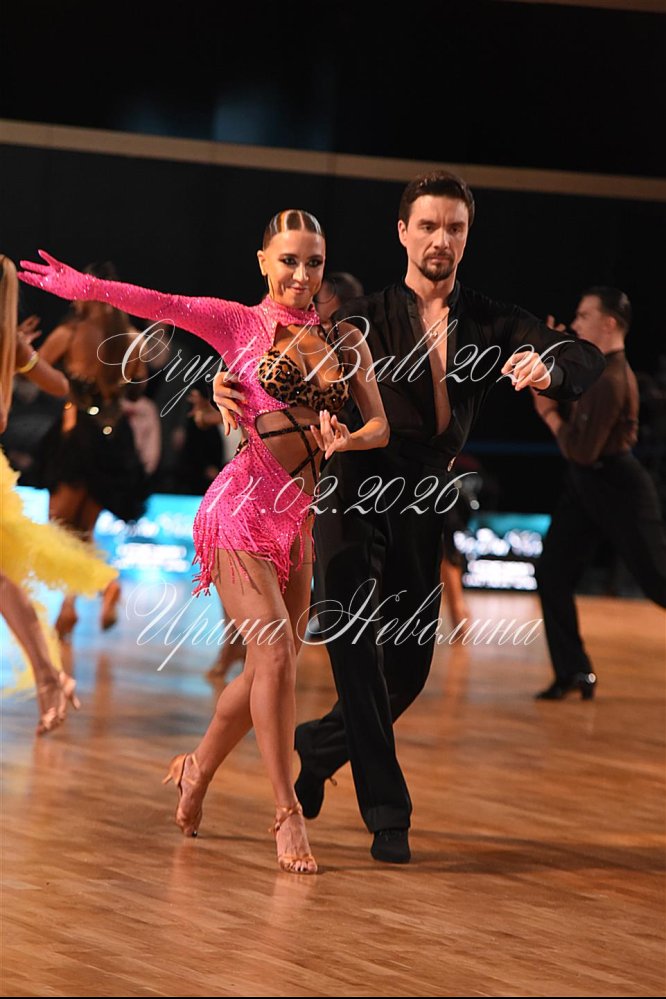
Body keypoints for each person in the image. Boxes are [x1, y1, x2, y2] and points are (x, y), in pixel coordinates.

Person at [214, 171, 606, 864]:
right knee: (355, 649)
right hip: (352, 488)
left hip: (426, 494)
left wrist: (549, 370)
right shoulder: (358, 318)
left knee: (411, 667)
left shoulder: (489, 319)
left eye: (454, 227)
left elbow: (584, 357)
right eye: (427, 225)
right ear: (403, 232)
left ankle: (317, 747)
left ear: (467, 236)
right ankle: (388, 815)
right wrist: (227, 384)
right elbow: (272, 351)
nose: (440, 239)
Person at [18, 209, 389, 875]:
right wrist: (89, 288)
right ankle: (286, 812)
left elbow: (379, 427)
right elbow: (160, 303)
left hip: (299, 520)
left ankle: (196, 769)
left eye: (313, 262)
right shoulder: (237, 323)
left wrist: (348, 439)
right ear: (263, 261)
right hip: (241, 508)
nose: (301, 275)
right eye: (288, 260)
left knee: (267, 671)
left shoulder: (344, 339)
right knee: (273, 655)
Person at [0, 254, 118, 735]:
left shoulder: (55, 336)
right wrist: (17, 354)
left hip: (80, 442)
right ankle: (52, 671)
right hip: (104, 438)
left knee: (25, 561)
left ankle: (52, 671)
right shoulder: (10, 342)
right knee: (10, 576)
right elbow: (59, 384)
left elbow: (62, 384)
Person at [532, 287, 666, 700]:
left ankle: (573, 671)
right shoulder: (597, 369)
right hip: (587, 483)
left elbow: (582, 450)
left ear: (608, 323)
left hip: (617, 484)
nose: (575, 323)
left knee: (659, 582)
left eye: (583, 315)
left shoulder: (610, 379)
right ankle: (573, 671)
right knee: (552, 573)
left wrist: (548, 412)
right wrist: (556, 354)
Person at [33, 262, 150, 639]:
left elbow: (34, 370)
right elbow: (138, 391)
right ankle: (71, 607)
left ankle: (103, 586)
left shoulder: (70, 332)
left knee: (59, 528)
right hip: (113, 441)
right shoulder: (133, 338)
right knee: (82, 531)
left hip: (77, 435)